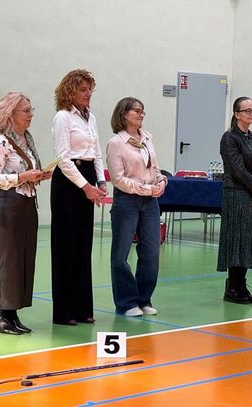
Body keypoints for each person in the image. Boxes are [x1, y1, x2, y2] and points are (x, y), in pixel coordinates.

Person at [0, 92, 51, 335]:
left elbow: (23, 173)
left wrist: (38, 176)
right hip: (5, 206)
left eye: (31, 109)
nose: (31, 114)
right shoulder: (0, 141)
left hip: (25, 203)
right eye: (26, 110)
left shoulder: (26, 140)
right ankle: (0, 314)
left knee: (22, 259)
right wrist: (23, 177)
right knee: (6, 259)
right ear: (10, 114)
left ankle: (12, 313)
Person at [51, 69, 107, 326]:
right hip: (68, 181)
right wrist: (86, 187)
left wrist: (100, 181)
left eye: (90, 89)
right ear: (70, 92)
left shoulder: (90, 117)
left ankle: (83, 307)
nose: (88, 94)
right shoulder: (63, 117)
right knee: (66, 246)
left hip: (88, 177)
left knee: (84, 245)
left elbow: (97, 153)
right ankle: (64, 312)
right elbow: (63, 159)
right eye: (83, 90)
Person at [106, 97, 167, 316]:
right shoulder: (116, 143)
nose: (141, 114)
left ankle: (144, 299)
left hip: (150, 202)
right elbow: (118, 179)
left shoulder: (147, 138)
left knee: (151, 252)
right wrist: (146, 189)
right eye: (137, 111)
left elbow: (155, 168)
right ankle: (126, 303)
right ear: (124, 114)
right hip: (127, 201)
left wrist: (161, 182)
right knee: (121, 253)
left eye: (143, 111)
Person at [217, 97, 252, 304]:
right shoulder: (229, 138)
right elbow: (238, 170)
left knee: (248, 241)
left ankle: (241, 285)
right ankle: (233, 287)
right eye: (247, 110)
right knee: (237, 240)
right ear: (237, 114)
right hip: (237, 194)